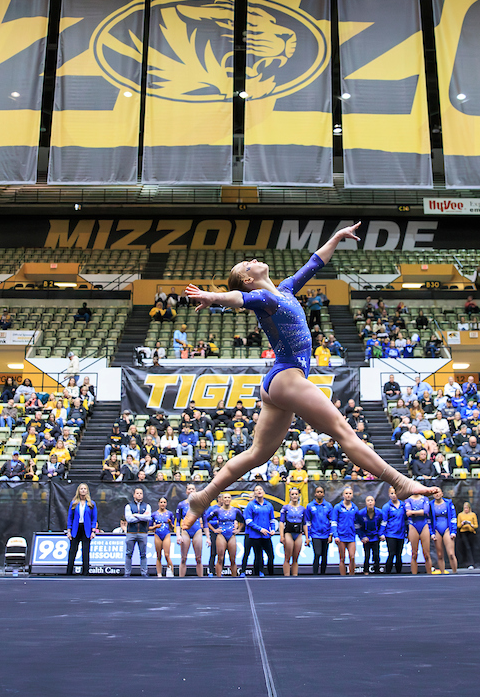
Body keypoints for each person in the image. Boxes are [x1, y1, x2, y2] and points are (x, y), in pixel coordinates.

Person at [180, 223, 432, 531]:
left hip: (278, 383)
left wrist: (336, 238)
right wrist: (212, 296)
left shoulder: (283, 290)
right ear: (249, 278)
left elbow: (314, 263)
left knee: (257, 454)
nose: (255, 260)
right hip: (287, 376)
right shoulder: (263, 298)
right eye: (249, 264)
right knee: (343, 431)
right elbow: (237, 299)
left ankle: (203, 496)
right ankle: (399, 481)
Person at [65, 483, 98, 576]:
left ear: (87, 491)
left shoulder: (92, 504)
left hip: (86, 529)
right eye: (81, 489)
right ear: (78, 491)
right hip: (76, 528)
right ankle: (69, 572)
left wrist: (93, 531)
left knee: (85, 550)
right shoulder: (74, 503)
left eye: (85, 489)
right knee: (72, 550)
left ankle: (85, 572)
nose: (83, 490)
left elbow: (94, 518)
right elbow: (70, 517)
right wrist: (69, 530)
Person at [244, 484, 276, 577]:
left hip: (266, 535)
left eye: (260, 489)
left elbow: (272, 520)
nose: (259, 491)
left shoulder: (269, 505)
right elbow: (248, 521)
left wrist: (273, 529)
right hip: (255, 535)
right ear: (254, 493)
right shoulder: (250, 505)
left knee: (271, 555)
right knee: (258, 555)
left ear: (264, 492)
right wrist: (260, 529)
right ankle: (257, 574)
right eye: (256, 490)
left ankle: (271, 574)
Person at [175, 483, 205, 578]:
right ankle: (181, 579)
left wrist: (208, 537)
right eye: (189, 489)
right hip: (185, 531)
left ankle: (201, 580)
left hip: (197, 531)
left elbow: (205, 521)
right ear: (186, 491)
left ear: (195, 491)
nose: (191, 490)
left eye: (193, 489)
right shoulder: (181, 504)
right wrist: (178, 535)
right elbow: (178, 522)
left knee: (199, 558)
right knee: (183, 558)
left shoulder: (200, 504)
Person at [304, 485, 333, 576]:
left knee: (324, 556)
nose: (319, 493)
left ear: (323, 494)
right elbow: (307, 522)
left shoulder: (328, 506)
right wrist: (307, 537)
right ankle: (315, 574)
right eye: (318, 492)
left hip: (326, 534)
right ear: (315, 494)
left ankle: (323, 574)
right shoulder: (310, 506)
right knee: (317, 553)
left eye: (321, 492)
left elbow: (332, 521)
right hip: (315, 534)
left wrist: (331, 535)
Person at [429, 485, 458, 574]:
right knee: (440, 555)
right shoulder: (430, 505)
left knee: (451, 554)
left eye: (438, 492)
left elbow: (453, 517)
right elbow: (429, 520)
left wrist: (453, 531)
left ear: (442, 493)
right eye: (435, 493)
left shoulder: (448, 503)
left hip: (447, 530)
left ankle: (455, 572)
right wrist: (431, 533)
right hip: (437, 530)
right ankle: (442, 573)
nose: (437, 494)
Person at [211, 493, 241, 578]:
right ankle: (219, 578)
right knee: (220, 558)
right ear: (222, 500)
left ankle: (234, 578)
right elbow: (207, 520)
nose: (227, 499)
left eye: (228, 497)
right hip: (221, 535)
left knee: (233, 559)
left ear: (231, 499)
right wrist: (214, 530)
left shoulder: (235, 510)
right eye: (225, 498)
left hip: (231, 535)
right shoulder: (217, 511)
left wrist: (238, 530)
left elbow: (242, 521)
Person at [124, 487, 152, 577]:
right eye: (137, 493)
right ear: (134, 495)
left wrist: (135, 515)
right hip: (131, 533)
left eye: (141, 493)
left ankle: (144, 572)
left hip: (143, 533)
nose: (139, 495)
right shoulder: (128, 506)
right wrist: (142, 517)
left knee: (143, 554)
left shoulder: (147, 506)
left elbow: (148, 518)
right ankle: (127, 573)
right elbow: (129, 519)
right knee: (129, 553)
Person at [279, 487, 306, 577]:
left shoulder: (302, 509)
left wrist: (307, 537)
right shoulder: (285, 507)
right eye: (292, 494)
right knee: (288, 556)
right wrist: (282, 536)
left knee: (296, 557)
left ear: (299, 496)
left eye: (296, 494)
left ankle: (295, 576)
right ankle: (286, 576)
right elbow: (282, 522)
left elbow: (305, 523)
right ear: (290, 496)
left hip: (298, 533)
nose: (294, 496)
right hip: (289, 533)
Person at [380, 488, 408, 574]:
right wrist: (381, 533)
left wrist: (408, 532)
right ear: (389, 495)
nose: (394, 495)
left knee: (399, 555)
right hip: (390, 534)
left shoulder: (403, 505)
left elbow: (406, 519)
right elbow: (384, 521)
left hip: (401, 534)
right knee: (391, 554)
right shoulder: (386, 507)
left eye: (395, 493)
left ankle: (399, 573)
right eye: (391, 493)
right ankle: (387, 573)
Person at [332, 486, 358, 576]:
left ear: (352, 495)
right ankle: (343, 577)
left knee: (352, 557)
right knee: (342, 558)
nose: (348, 495)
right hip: (341, 536)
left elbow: (357, 522)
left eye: (350, 493)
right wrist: (336, 536)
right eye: (346, 493)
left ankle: (352, 575)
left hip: (351, 536)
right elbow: (334, 522)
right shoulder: (337, 507)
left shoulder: (355, 508)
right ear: (343, 495)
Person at [406, 491, 433, 574]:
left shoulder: (425, 499)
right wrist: (419, 512)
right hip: (413, 525)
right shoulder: (408, 500)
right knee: (414, 554)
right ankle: (414, 576)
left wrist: (413, 512)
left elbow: (426, 511)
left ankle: (430, 575)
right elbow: (408, 513)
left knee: (427, 554)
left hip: (424, 525)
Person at [356, 495, 383, 575]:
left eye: (372, 500)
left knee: (376, 555)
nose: (370, 502)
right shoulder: (361, 513)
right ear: (366, 503)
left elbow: (383, 524)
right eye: (368, 500)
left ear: (374, 502)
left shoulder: (379, 512)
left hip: (376, 537)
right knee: (367, 555)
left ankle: (377, 570)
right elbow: (358, 526)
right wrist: (362, 536)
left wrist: (381, 534)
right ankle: (366, 571)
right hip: (366, 538)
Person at [151, 497, 174, 577]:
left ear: (166, 503)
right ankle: (159, 574)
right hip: (157, 534)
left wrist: (170, 523)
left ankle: (170, 571)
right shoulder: (154, 514)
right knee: (158, 555)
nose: (162, 504)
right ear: (158, 503)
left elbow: (173, 527)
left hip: (166, 534)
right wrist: (155, 527)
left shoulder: (170, 514)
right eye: (161, 502)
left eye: (164, 502)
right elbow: (149, 527)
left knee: (167, 555)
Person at [456, 501, 478, 570]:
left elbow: (476, 525)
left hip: (471, 532)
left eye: (467, 508)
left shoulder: (473, 514)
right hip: (463, 532)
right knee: (466, 547)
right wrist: (462, 523)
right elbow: (458, 525)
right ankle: (467, 563)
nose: (466, 510)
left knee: (471, 547)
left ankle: (471, 563)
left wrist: (471, 525)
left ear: (469, 508)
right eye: (465, 508)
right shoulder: (460, 515)